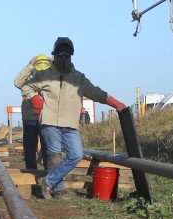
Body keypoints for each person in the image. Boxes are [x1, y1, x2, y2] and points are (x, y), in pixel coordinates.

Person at [14, 37, 126, 198]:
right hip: (49, 121)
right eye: (60, 54)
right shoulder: (45, 75)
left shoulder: (78, 78)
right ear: (54, 55)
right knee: (54, 156)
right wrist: (35, 98)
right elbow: (24, 85)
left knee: (76, 155)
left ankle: (48, 181)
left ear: (71, 56)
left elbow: (97, 93)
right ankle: (58, 190)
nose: (64, 58)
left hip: (70, 124)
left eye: (67, 55)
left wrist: (115, 103)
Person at [14, 55, 53, 170]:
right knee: (30, 148)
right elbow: (17, 82)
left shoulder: (52, 79)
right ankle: (31, 172)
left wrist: (54, 62)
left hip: (46, 117)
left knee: (47, 148)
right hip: (30, 118)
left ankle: (48, 173)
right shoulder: (28, 79)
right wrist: (29, 66)